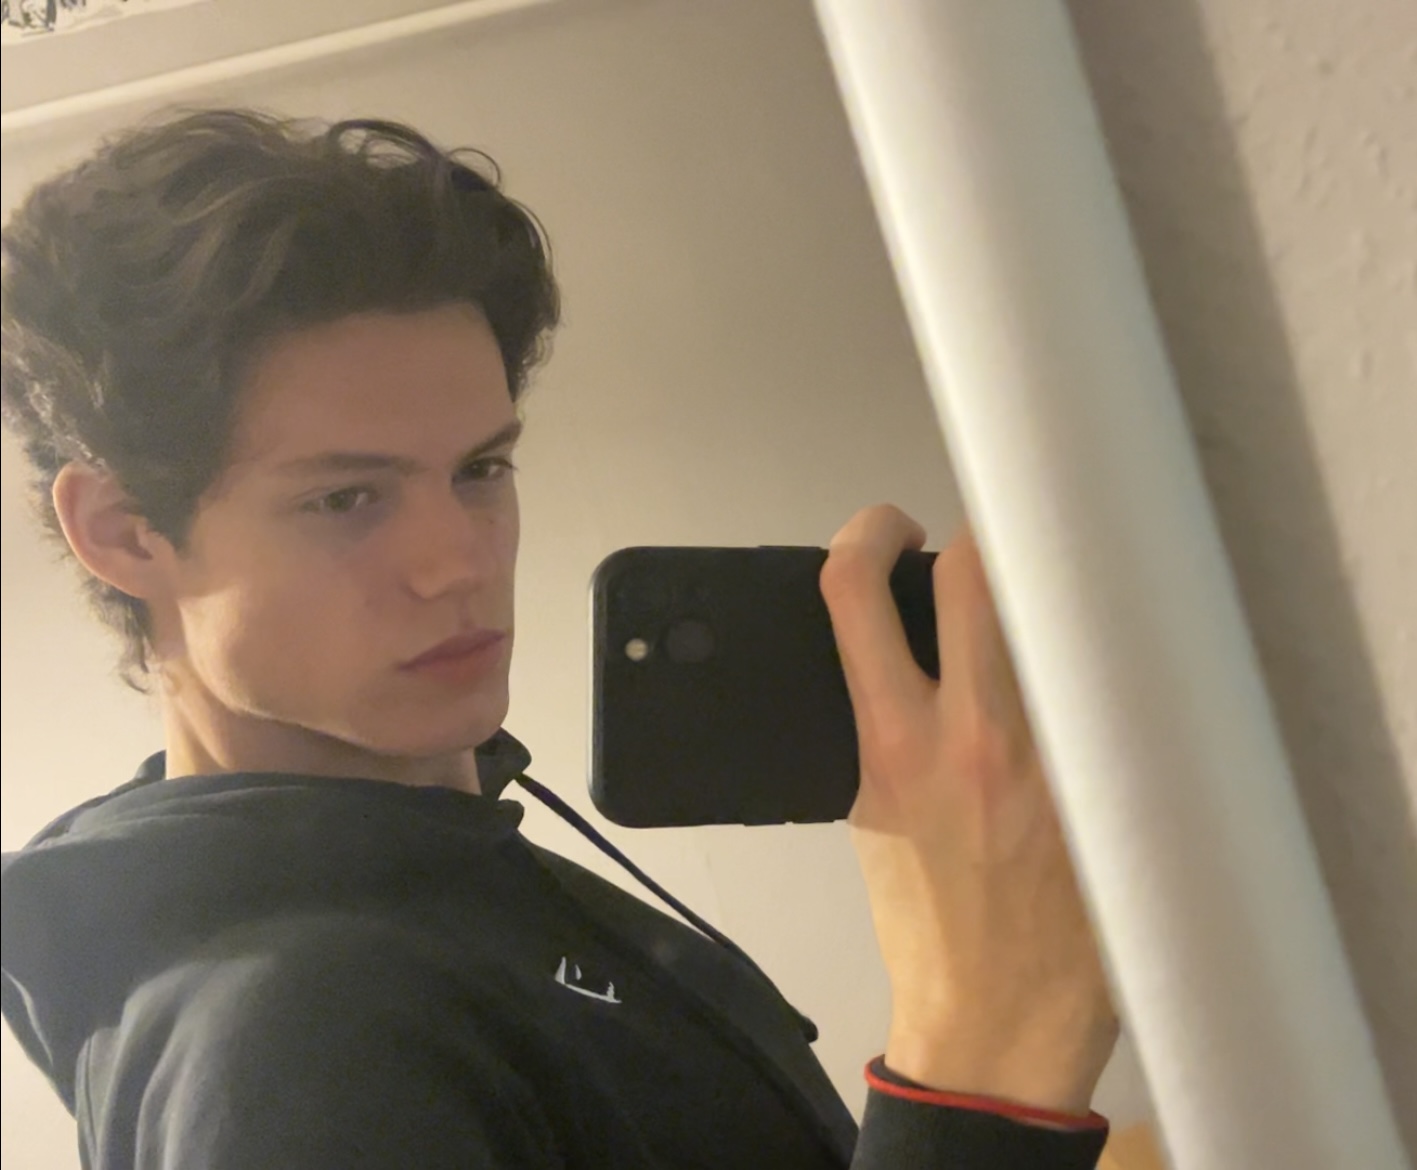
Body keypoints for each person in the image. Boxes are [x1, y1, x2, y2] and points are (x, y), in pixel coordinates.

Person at [0, 109, 1121, 1168]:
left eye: (479, 469)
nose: (460, 561)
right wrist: (981, 1056)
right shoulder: (288, 1037)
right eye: (345, 498)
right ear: (125, 531)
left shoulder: (423, 864)